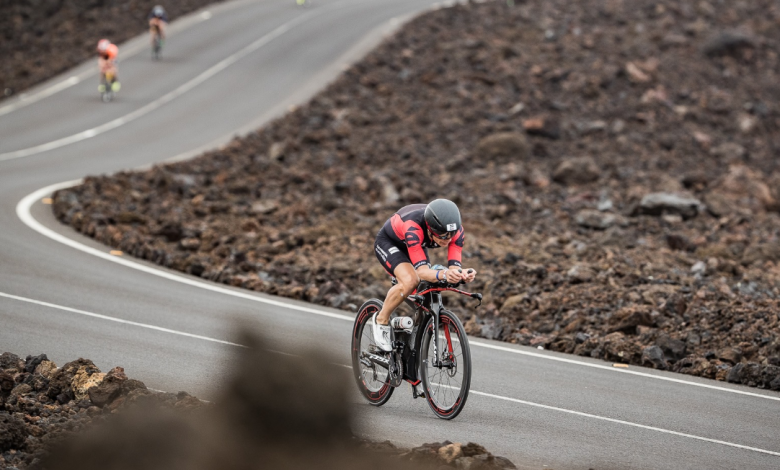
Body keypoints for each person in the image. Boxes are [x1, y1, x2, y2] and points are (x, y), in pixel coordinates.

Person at [372, 199, 477, 352]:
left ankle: (407, 334)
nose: (447, 239)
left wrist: (461, 275)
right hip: (390, 243)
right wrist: (444, 273)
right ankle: (381, 319)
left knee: (426, 290)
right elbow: (421, 272)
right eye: (442, 236)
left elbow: (454, 267)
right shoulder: (413, 227)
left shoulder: (456, 232)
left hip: (416, 245)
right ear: (430, 228)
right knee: (411, 280)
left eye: (450, 235)